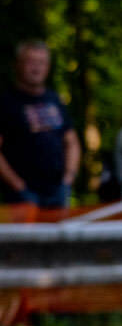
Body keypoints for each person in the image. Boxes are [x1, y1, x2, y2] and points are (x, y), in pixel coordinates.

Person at [0, 40, 80, 208]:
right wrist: (18, 186)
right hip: (22, 196)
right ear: (17, 65)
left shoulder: (55, 99)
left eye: (42, 62)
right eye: (31, 62)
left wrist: (68, 180)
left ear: (48, 67)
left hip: (58, 192)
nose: (36, 68)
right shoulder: (6, 102)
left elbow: (71, 142)